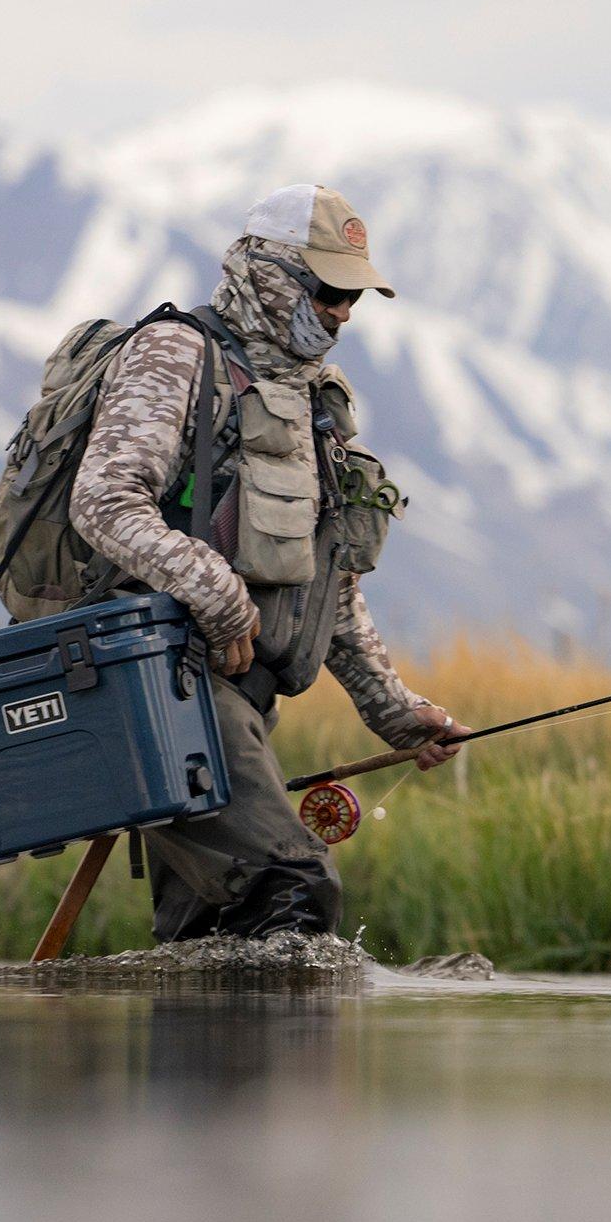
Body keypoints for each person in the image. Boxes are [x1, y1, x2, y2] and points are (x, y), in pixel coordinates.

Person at [68, 184, 471, 940]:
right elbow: (103, 500)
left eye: (355, 297)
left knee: (212, 936)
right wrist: (215, 593)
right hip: (163, 686)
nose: (342, 312)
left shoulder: (321, 398)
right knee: (291, 888)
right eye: (329, 290)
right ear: (269, 271)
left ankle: (210, 1052)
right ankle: (283, 1055)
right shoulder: (175, 353)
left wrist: (391, 708)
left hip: (241, 705)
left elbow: (329, 579)